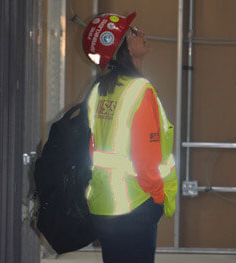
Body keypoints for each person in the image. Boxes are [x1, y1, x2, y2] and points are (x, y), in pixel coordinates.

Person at [82, 12, 178, 263]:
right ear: (121, 49)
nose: (141, 34)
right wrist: (157, 198)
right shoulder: (139, 91)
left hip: (105, 206)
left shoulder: (98, 91)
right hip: (136, 205)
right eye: (133, 32)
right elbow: (147, 159)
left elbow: (91, 149)